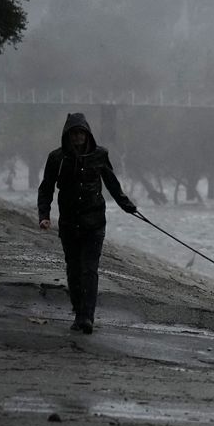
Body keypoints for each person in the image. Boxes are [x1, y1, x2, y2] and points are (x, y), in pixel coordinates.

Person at [37, 112, 138, 334]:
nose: (77, 137)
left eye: (81, 133)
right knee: (74, 270)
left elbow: (111, 182)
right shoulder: (57, 158)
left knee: (89, 270)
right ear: (67, 135)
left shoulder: (100, 155)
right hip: (69, 223)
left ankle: (87, 317)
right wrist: (44, 215)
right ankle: (78, 312)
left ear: (87, 134)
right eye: (73, 134)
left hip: (94, 223)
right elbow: (46, 188)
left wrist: (127, 205)